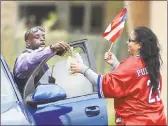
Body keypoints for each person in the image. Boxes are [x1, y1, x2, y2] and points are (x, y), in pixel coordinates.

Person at [70, 26, 167, 125]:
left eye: (130, 40)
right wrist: (116, 64)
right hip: (159, 120)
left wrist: (83, 69)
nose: (128, 43)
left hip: (136, 121)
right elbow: (131, 83)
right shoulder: (153, 66)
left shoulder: (131, 65)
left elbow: (104, 83)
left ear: (139, 45)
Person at [13, 26, 70, 95]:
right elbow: (31, 59)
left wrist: (53, 52)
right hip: (29, 105)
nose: (42, 39)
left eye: (43, 37)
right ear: (28, 43)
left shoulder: (41, 60)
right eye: (37, 37)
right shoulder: (23, 58)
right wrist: (51, 49)